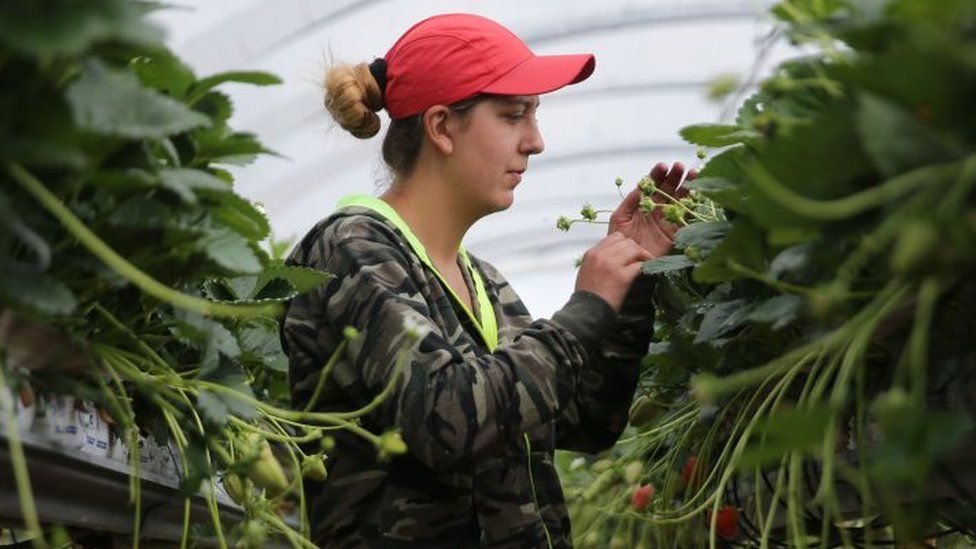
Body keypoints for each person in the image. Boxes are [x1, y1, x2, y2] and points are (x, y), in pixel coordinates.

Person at [281, 13, 694, 548]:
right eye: (513, 115)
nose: (536, 142)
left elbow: (587, 419)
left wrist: (628, 284)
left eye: (534, 116)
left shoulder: (482, 283)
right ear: (442, 127)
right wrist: (587, 305)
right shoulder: (352, 250)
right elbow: (447, 420)